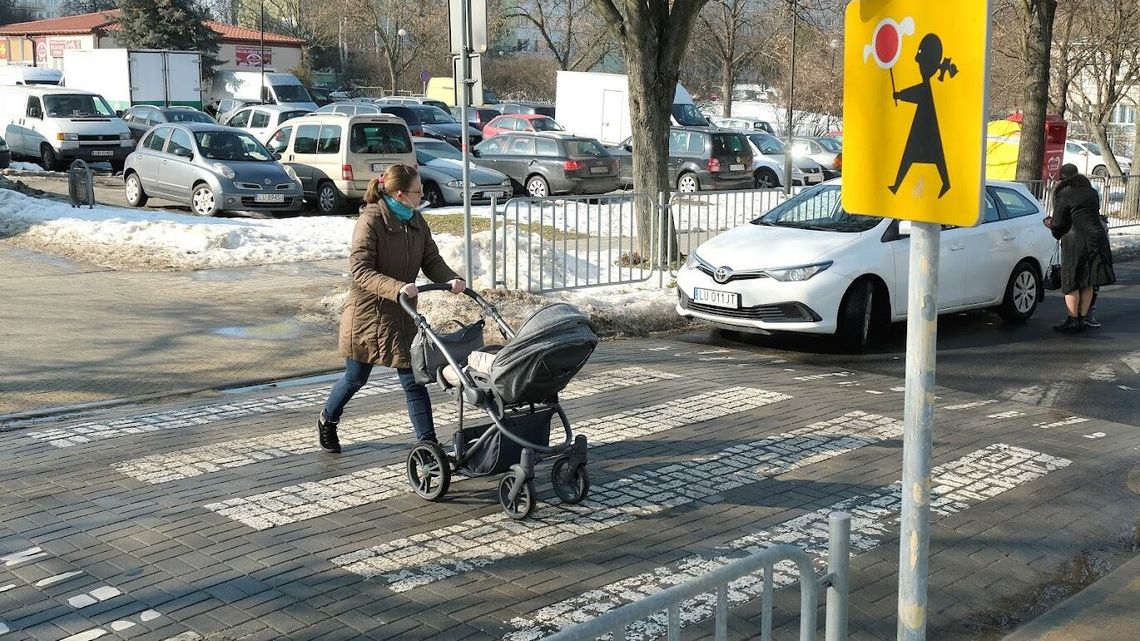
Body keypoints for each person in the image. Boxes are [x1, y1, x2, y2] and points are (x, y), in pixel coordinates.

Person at [317, 164, 466, 453]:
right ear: (399, 194)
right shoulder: (371, 220)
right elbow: (360, 270)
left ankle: (427, 445)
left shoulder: (416, 220)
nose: (422, 195)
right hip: (368, 316)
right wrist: (396, 287)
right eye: (417, 191)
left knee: (413, 380)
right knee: (355, 378)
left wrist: (452, 279)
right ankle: (327, 419)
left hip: (403, 315)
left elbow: (431, 260)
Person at [1044, 163, 1115, 333]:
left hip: (1075, 241)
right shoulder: (1092, 192)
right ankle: (1083, 318)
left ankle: (1072, 319)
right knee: (1088, 280)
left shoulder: (1064, 194)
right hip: (1097, 240)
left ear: (1063, 180)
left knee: (1072, 282)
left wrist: (1051, 226)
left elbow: (1059, 223)